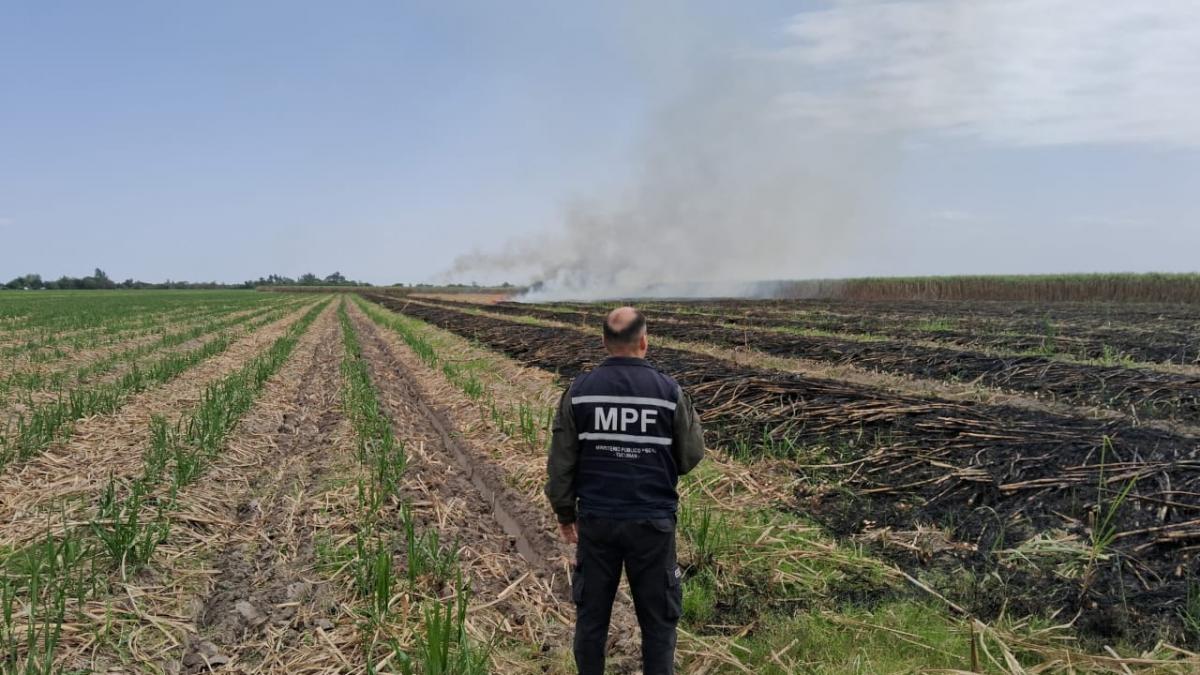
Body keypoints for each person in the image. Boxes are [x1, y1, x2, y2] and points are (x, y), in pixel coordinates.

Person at [545, 306, 706, 675]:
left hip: (597, 522)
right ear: (644, 342)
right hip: (652, 525)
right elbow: (690, 456)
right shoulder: (669, 392)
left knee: (591, 620)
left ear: (604, 343)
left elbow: (561, 463)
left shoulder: (579, 392)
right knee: (659, 623)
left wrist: (565, 514)